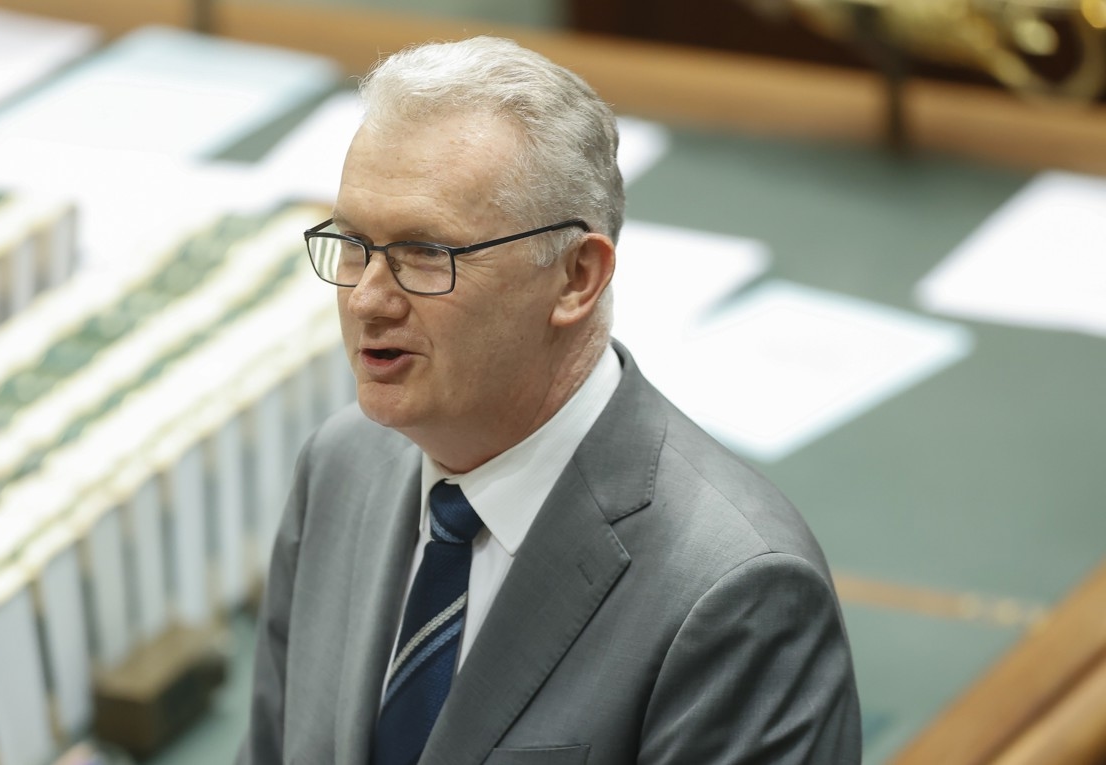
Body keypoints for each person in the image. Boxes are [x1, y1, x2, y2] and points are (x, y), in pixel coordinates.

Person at [239, 36, 861, 765]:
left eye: (424, 254)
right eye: (353, 243)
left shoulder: (734, 593)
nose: (369, 299)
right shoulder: (341, 466)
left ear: (575, 276)